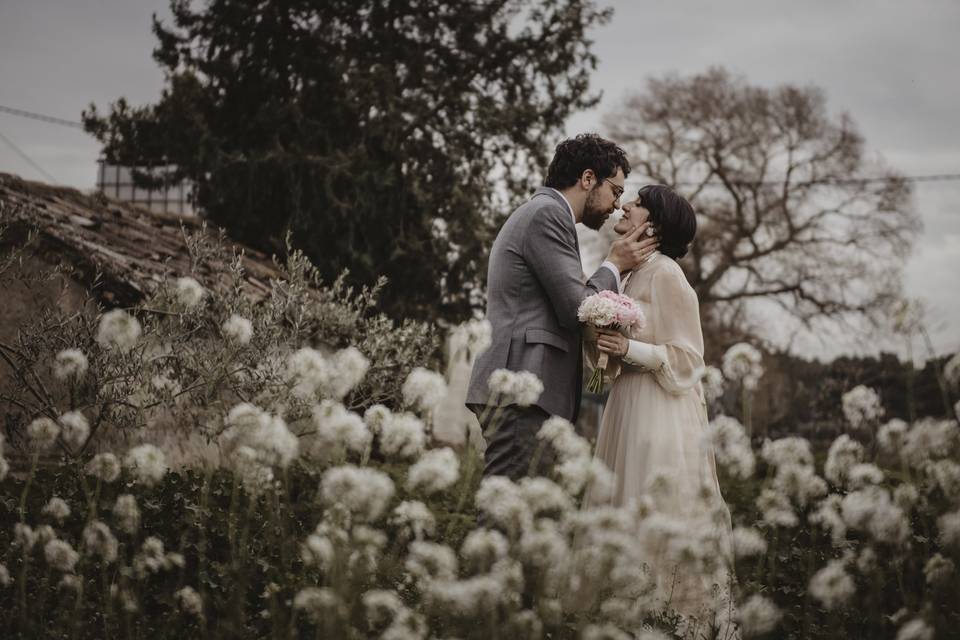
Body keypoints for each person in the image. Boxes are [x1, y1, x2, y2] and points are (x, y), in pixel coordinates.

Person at [584, 184, 738, 637]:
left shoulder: (669, 274)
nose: (625, 205)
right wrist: (606, 355)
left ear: (653, 224)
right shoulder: (631, 276)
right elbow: (619, 356)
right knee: (620, 502)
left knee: (653, 505)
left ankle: (671, 619)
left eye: (635, 203)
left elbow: (689, 359)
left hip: (661, 411)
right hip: (624, 404)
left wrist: (630, 348)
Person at [465, 134, 659, 480]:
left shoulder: (545, 214)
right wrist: (613, 264)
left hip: (526, 388)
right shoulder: (547, 214)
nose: (617, 205)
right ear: (587, 179)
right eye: (615, 191)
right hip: (521, 388)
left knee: (521, 516)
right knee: (507, 515)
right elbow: (578, 307)